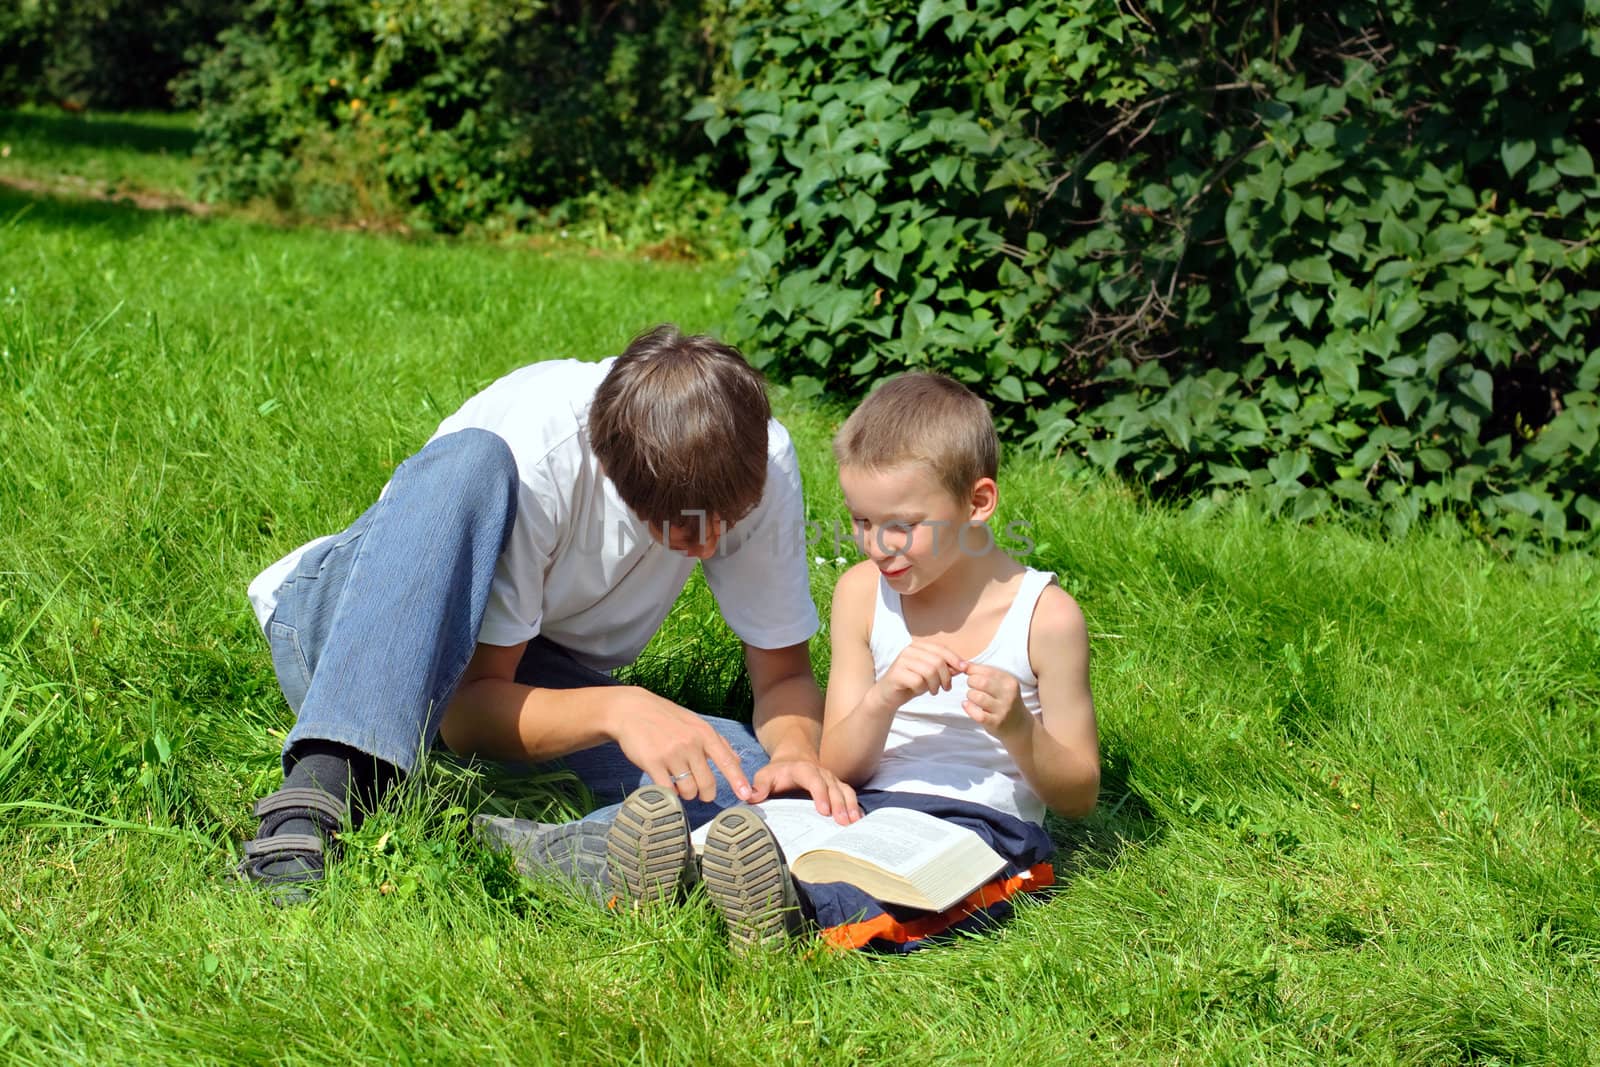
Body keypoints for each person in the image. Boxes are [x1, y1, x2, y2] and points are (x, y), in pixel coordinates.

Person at [237, 325, 857, 896]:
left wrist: (797, 754)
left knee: (748, 775)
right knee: (470, 459)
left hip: (518, 671)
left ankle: (544, 851)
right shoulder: (541, 446)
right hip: (363, 629)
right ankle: (318, 793)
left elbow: (782, 677)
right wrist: (620, 706)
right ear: (615, 474)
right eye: (682, 529)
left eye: (731, 521)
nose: (712, 545)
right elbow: (466, 715)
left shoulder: (761, 459)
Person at [595, 371, 1101, 952]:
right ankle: (675, 874)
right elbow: (838, 763)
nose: (876, 545)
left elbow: (1078, 796)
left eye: (903, 527)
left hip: (984, 828)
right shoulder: (862, 595)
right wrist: (884, 699)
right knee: (767, 834)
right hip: (864, 809)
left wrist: (1016, 727)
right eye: (862, 522)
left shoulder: (1045, 618)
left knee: (900, 892)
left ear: (978, 503)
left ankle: (782, 912)